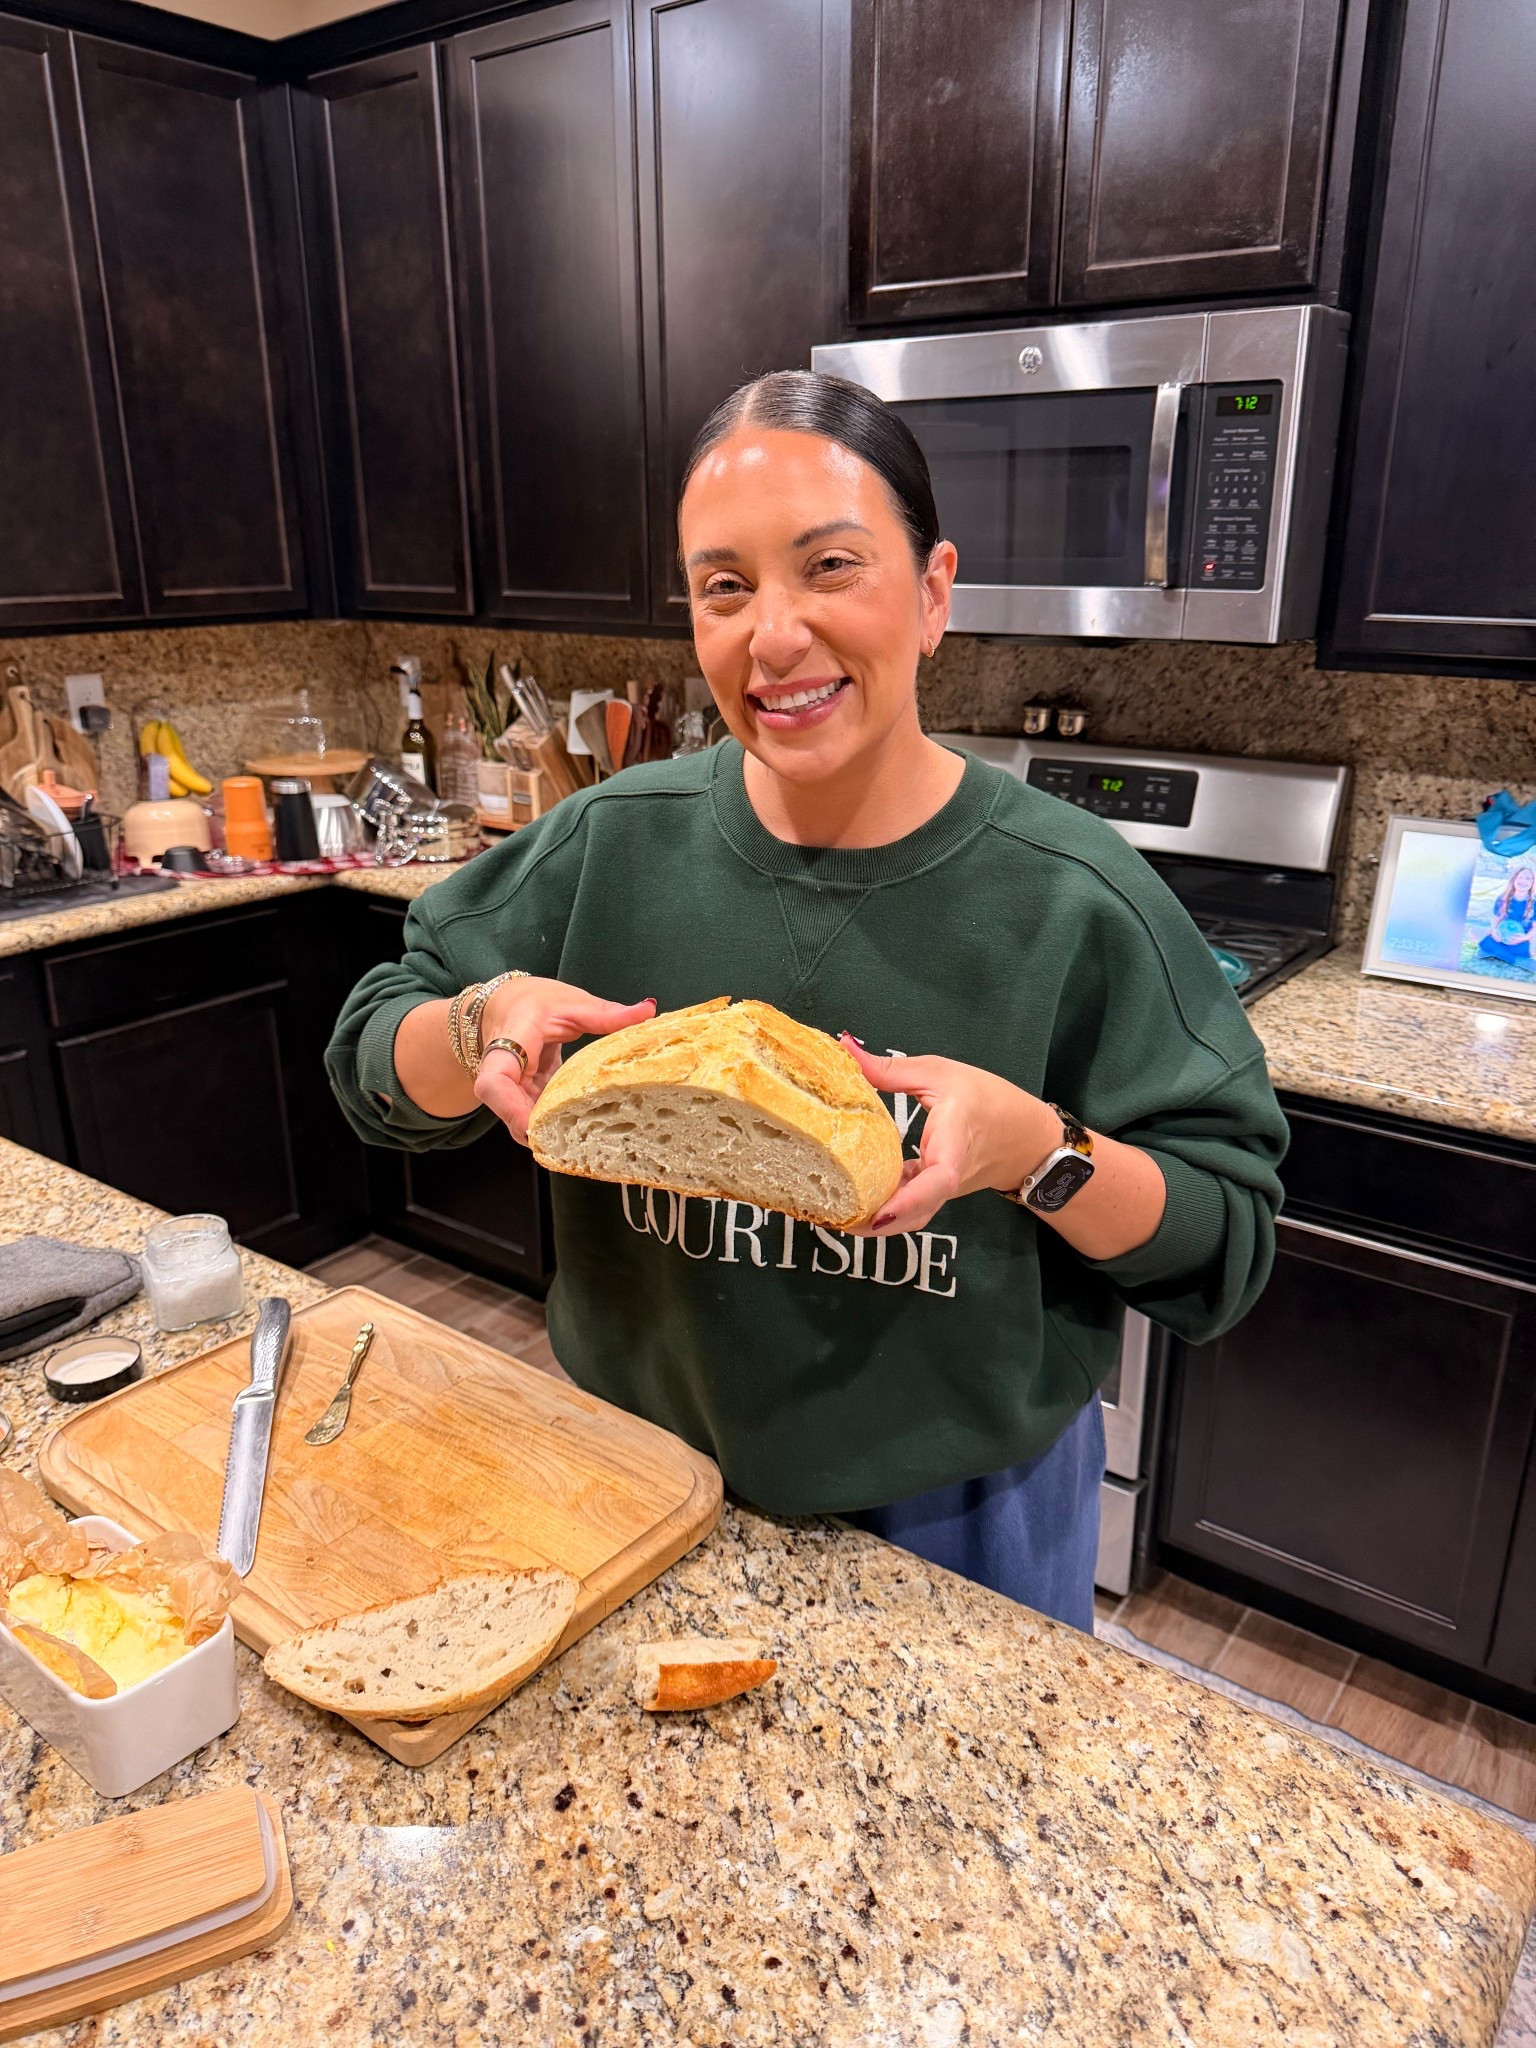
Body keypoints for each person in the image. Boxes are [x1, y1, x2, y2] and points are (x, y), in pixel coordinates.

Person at [327, 371, 1287, 1632]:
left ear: (935, 591)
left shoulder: (1076, 898)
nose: (771, 635)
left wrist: (1032, 1151)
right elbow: (370, 1056)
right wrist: (473, 1025)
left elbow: (1224, 1247)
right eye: (724, 587)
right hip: (627, 1480)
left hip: (963, 1525)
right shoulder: (613, 842)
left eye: (829, 566)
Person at [1478, 866, 1536, 965]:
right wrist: (1495, 931)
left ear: (1532, 883)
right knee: (1474, 931)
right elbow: (1495, 920)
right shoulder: (1502, 898)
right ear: (1514, 879)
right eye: (1520, 877)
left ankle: (1493, 952)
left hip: (1521, 941)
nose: (1523, 881)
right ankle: (1514, 960)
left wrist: (1524, 938)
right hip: (1501, 938)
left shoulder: (1534, 902)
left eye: (1527, 878)